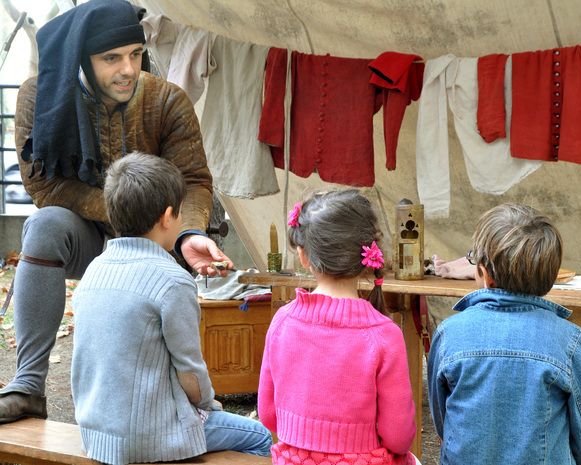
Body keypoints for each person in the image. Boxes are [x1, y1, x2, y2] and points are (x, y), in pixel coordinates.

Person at [0, 0, 232, 423]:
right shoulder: (40, 96)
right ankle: (29, 386)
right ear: (81, 59)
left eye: (135, 54)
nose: (128, 69)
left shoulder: (167, 100)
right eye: (112, 58)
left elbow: (195, 181)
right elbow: (44, 185)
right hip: (87, 236)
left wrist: (187, 234)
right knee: (44, 224)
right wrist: (128, 209)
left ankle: (179, 405)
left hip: (158, 241)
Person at [70, 153, 271, 465]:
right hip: (152, 436)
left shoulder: (94, 270)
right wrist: (209, 403)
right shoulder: (172, 281)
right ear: (167, 217)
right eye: (180, 215)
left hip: (95, 432)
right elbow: (190, 373)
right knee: (262, 438)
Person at [428, 203, 581, 465]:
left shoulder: (449, 335)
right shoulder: (570, 341)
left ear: (484, 274)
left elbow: (444, 423)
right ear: (550, 278)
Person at [258, 189, 420, 465]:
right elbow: (398, 437)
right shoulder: (383, 335)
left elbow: (269, 415)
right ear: (369, 254)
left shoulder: (282, 322)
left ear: (303, 255)